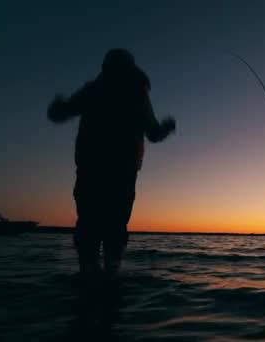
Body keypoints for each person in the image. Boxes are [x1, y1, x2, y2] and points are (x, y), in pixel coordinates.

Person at [47, 48, 176, 276]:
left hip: (93, 170)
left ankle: (89, 273)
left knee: (89, 222)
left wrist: (57, 107)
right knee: (113, 224)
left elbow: (60, 113)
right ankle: (110, 274)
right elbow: (154, 133)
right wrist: (167, 126)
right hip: (120, 172)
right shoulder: (138, 96)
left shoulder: (93, 91)